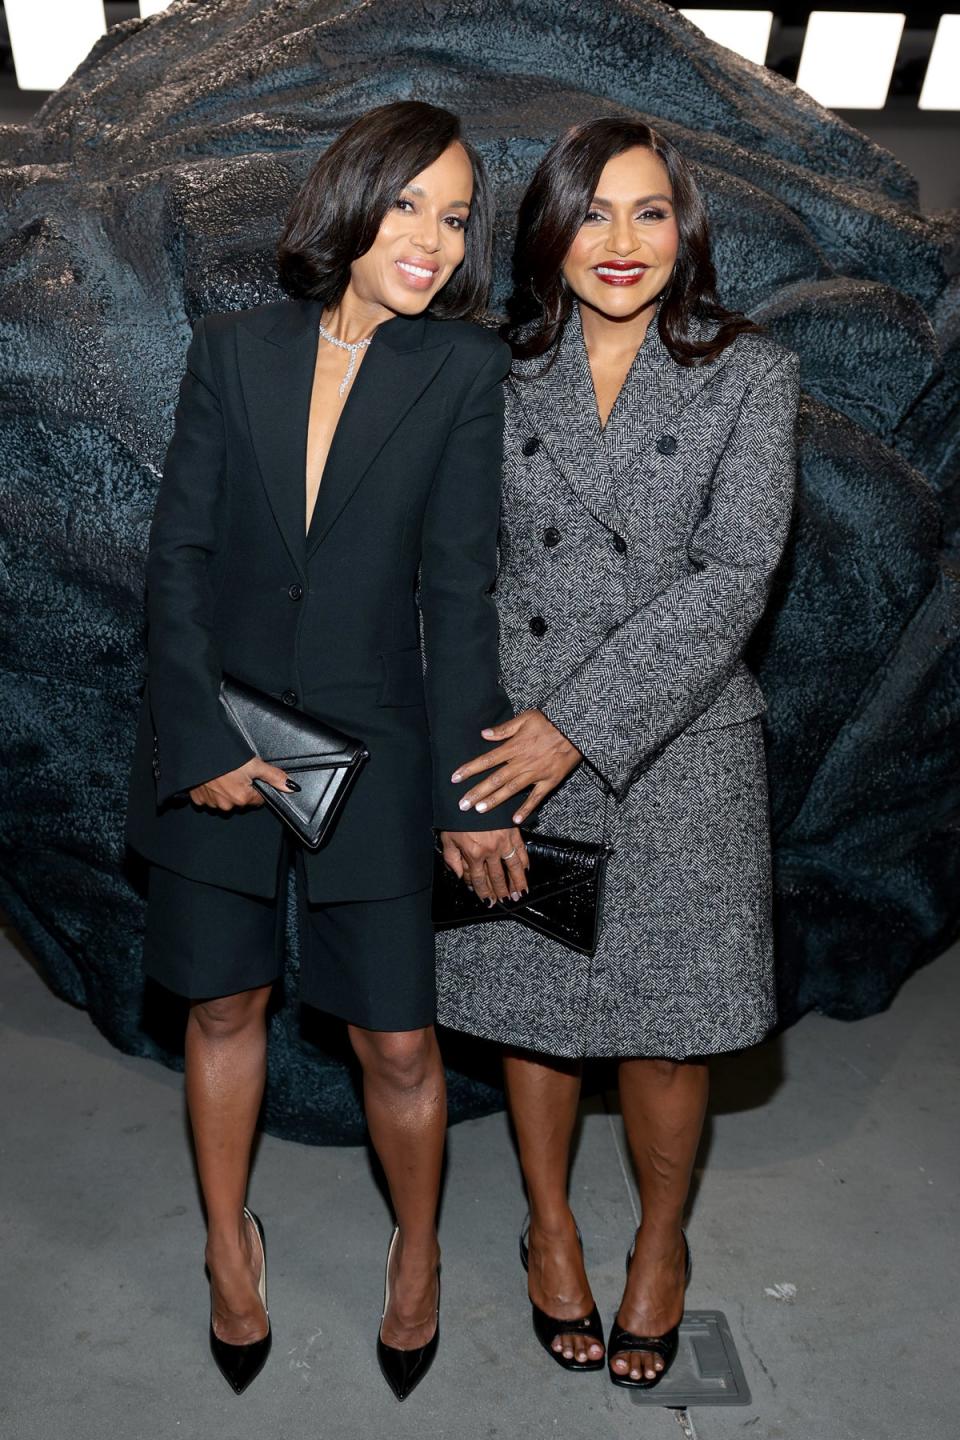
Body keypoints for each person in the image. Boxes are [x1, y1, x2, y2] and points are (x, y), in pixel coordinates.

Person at [125, 100, 523, 1401]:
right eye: (410, 203)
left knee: (399, 1042)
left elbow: (458, 598)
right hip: (219, 733)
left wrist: (472, 790)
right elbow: (178, 558)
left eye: (457, 215)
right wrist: (199, 736)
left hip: (381, 747)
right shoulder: (231, 350)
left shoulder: (463, 373)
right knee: (226, 1003)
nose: (434, 237)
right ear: (349, 202)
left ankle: (419, 1254)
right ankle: (227, 1249)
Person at [435, 117, 800, 1390]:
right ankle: (548, 1228)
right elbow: (457, 570)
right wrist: (477, 743)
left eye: (650, 213)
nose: (623, 241)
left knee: (668, 1031)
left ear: (685, 230)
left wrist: (578, 724)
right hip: (509, 741)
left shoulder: (751, 373)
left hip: (679, 746)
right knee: (534, 1016)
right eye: (594, 213)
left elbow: (734, 575)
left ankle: (660, 1244)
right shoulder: (493, 371)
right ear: (550, 230)